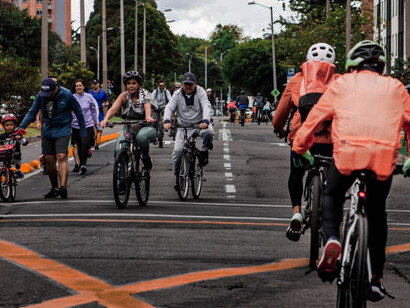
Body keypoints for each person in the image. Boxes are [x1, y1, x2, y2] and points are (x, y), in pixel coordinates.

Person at [292, 40, 410, 300]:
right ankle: (376, 279)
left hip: (347, 153)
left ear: (351, 64)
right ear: (381, 65)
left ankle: (333, 238)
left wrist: (301, 149)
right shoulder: (397, 87)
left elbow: (314, 120)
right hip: (382, 158)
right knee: (378, 213)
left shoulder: (340, 84)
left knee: (332, 194)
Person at [272, 42, 338, 242]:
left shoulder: (296, 81)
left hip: (303, 139)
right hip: (330, 140)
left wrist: (279, 129)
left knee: (296, 174)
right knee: (334, 181)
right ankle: (329, 212)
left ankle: (297, 213)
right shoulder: (340, 81)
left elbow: (280, 115)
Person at [19, 78, 87, 199]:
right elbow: (32, 112)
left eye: (49, 93)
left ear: (55, 88)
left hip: (63, 129)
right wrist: (21, 129)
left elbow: (78, 111)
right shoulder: (41, 95)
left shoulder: (66, 94)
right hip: (47, 130)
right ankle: (54, 188)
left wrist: (82, 130)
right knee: (49, 159)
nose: (47, 96)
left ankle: (63, 188)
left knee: (61, 156)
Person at [100, 71, 156, 170]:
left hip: (144, 126)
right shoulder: (123, 96)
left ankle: (146, 158)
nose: (131, 86)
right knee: (118, 149)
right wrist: (105, 119)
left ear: (138, 84)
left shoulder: (145, 94)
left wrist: (148, 117)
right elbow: (113, 109)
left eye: (134, 83)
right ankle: (122, 176)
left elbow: (147, 106)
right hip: (128, 127)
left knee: (141, 138)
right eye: (129, 83)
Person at [164, 72, 213, 176]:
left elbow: (206, 106)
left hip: (199, 124)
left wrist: (205, 121)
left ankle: (204, 152)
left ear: (195, 83)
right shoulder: (177, 94)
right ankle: (178, 175)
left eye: (190, 84)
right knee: (177, 151)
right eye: (185, 84)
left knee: (208, 132)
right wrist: (167, 121)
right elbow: (169, 107)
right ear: (182, 84)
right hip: (183, 126)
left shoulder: (200, 92)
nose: (188, 87)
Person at [71, 79, 101, 175]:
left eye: (80, 85)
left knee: (85, 144)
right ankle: (81, 164)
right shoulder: (71, 98)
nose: (78, 87)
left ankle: (83, 164)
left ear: (84, 86)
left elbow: (94, 111)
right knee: (79, 145)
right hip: (75, 126)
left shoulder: (89, 97)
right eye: (77, 86)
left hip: (87, 125)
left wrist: (97, 124)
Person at [0, 114, 28, 179]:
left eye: (11, 125)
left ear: (15, 125)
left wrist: (20, 139)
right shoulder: (2, 136)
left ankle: (18, 170)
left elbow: (25, 143)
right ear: (3, 126)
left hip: (14, 153)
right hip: (4, 154)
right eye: (7, 125)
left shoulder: (17, 134)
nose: (9, 127)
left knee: (17, 155)